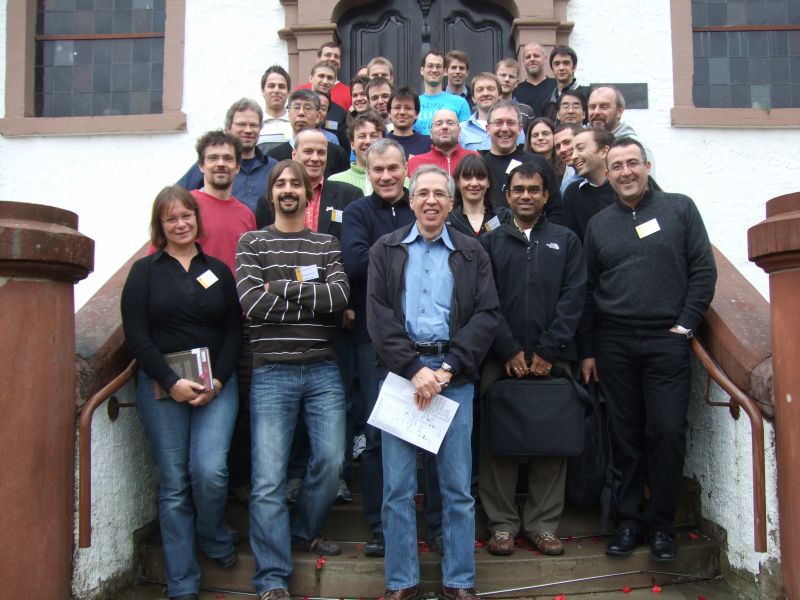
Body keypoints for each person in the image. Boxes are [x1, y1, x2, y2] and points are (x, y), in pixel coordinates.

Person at [366, 165, 499, 600]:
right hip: (403, 376)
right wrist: (413, 369)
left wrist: (447, 370)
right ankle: (402, 581)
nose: (430, 201)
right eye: (422, 193)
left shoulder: (470, 251)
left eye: (439, 194)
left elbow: (485, 315)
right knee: (397, 488)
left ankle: (458, 580)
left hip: (452, 377)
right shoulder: (386, 249)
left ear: (451, 201)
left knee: (457, 487)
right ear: (410, 200)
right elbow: (379, 316)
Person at [581, 138, 716, 562]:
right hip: (615, 342)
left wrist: (685, 323)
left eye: (632, 163)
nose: (625, 172)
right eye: (616, 165)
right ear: (609, 170)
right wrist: (589, 350)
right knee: (625, 436)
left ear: (647, 165)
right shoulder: (599, 223)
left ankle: (662, 526)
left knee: (667, 432)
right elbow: (587, 289)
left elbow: (702, 269)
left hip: (666, 340)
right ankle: (628, 521)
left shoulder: (680, 209)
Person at [121, 185, 242, 600]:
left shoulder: (218, 271)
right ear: (160, 225)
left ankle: (211, 535)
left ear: (196, 219)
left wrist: (219, 381)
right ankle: (183, 584)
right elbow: (137, 336)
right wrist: (171, 382)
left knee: (209, 472)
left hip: (216, 384)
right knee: (173, 484)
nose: (180, 223)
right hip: (162, 385)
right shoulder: (144, 273)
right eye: (171, 218)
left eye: (186, 215)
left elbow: (234, 332)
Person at [237, 160, 350, 600]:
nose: (288, 190)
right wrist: (310, 302)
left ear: (309, 194)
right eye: (280, 183)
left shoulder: (325, 243)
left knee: (331, 460)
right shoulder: (252, 242)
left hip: (322, 368)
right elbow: (252, 304)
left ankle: (302, 530)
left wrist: (280, 287)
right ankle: (271, 577)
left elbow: (339, 296)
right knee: (267, 479)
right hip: (271, 372)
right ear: (271, 195)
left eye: (296, 184)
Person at [479, 162, 586, 558]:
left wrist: (547, 351)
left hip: (553, 359)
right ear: (506, 194)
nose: (526, 195)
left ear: (545, 196)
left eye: (534, 189)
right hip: (499, 357)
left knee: (551, 441)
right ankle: (502, 525)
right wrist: (508, 349)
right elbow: (484, 298)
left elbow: (574, 298)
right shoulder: (490, 242)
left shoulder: (567, 240)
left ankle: (542, 523)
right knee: (498, 442)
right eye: (518, 189)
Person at [341, 139, 419, 558]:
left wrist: (386, 254)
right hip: (371, 339)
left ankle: (434, 523)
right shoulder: (357, 211)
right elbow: (353, 264)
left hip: (425, 337)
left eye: (393, 168)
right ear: (366, 171)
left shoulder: (420, 203)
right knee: (377, 433)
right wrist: (410, 252)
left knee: (428, 433)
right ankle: (379, 525)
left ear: (406, 167)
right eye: (377, 170)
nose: (386, 176)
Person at [177, 98, 278, 214]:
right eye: (241, 124)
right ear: (228, 128)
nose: (248, 130)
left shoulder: (274, 167)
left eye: (254, 125)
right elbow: (176, 197)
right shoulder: (212, 166)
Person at [186, 130, 257, 274]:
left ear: (237, 167)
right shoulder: (185, 206)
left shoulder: (246, 215)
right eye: (213, 158)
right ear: (201, 166)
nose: (221, 163)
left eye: (227, 158)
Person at [479, 100, 562, 219]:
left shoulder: (539, 163)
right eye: (498, 123)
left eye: (511, 123)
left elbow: (556, 210)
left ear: (520, 128)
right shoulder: (479, 167)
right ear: (487, 128)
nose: (504, 128)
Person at [266, 90, 349, 178]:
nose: (301, 113)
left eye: (308, 108)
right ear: (288, 114)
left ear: (318, 116)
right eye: (297, 107)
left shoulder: (337, 154)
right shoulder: (273, 156)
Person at [588, 85, 657, 177]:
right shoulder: (582, 145)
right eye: (592, 107)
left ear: (619, 111)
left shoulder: (636, 147)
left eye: (604, 107)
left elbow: (648, 186)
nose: (596, 112)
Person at [560, 127, 615, 241]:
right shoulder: (573, 193)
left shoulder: (627, 184)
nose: (574, 156)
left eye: (580, 148)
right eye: (572, 151)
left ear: (604, 151)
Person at [446, 154, 511, 237]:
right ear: (458, 182)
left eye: (480, 178)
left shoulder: (504, 217)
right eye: (467, 178)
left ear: (488, 182)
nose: (474, 183)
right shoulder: (448, 221)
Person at [459, 73, 521, 152]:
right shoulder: (462, 130)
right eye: (480, 90)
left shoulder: (514, 126)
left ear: (500, 95)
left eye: (491, 89)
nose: (485, 93)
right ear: (473, 98)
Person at [329, 111, 387, 195]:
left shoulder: (399, 180)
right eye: (362, 136)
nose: (368, 141)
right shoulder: (334, 182)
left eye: (374, 136)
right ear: (352, 144)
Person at [407, 108, 477, 177]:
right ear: (431, 133)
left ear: (459, 131)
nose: (444, 127)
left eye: (450, 123)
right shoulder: (415, 163)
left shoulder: (475, 158)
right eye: (439, 124)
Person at [415, 51, 471, 135]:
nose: (434, 70)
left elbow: (465, 138)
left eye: (438, 66)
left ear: (445, 71)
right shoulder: (413, 103)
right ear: (422, 70)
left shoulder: (460, 103)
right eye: (430, 66)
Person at [295, 42, 352, 111]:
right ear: (318, 59)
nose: (332, 59)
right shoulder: (300, 91)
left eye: (336, 56)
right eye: (328, 55)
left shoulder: (349, 93)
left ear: (340, 63)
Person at [541, 45, 587, 122]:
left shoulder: (587, 95)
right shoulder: (547, 103)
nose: (561, 68)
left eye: (566, 63)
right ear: (552, 69)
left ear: (574, 67)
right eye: (557, 64)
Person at [512, 42, 556, 118]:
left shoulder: (556, 86)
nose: (532, 59)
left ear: (545, 59)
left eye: (536, 56)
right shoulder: (516, 91)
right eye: (528, 57)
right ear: (523, 62)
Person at [386, 87, 432, 158]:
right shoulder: (381, 142)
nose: (402, 112)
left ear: (417, 114)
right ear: (389, 113)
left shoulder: (428, 143)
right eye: (397, 107)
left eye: (408, 108)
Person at [495, 57, 533, 131]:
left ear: (517, 83)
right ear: (495, 78)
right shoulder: (483, 108)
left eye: (511, 77)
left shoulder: (526, 111)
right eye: (503, 75)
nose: (507, 79)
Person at [258, 65, 293, 147]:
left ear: (288, 92)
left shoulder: (296, 123)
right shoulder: (254, 124)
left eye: (281, 86)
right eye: (271, 86)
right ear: (263, 91)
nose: (276, 90)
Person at [554, 123, 583, 194]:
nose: (562, 150)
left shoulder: (604, 174)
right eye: (558, 147)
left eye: (567, 142)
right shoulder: (566, 186)